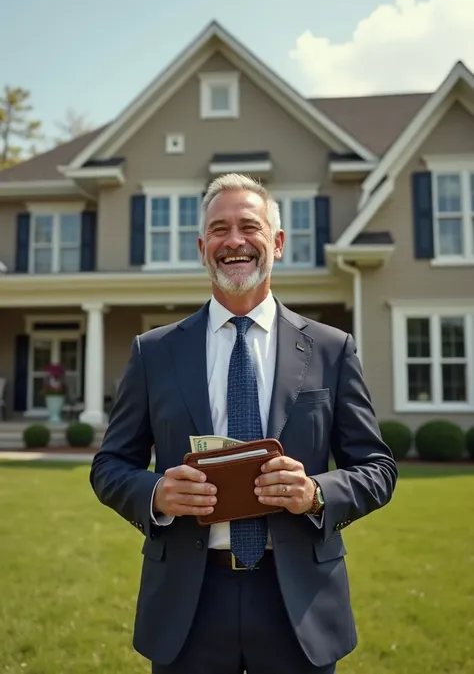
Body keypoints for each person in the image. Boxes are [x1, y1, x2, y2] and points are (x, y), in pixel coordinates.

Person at [89, 173, 398, 674]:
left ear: (276, 242)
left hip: (297, 601)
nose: (233, 240)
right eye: (219, 229)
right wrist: (156, 495)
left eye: (248, 226)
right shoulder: (154, 352)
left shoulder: (330, 349)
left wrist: (316, 493)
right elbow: (110, 466)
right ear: (202, 247)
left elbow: (378, 469)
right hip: (189, 603)